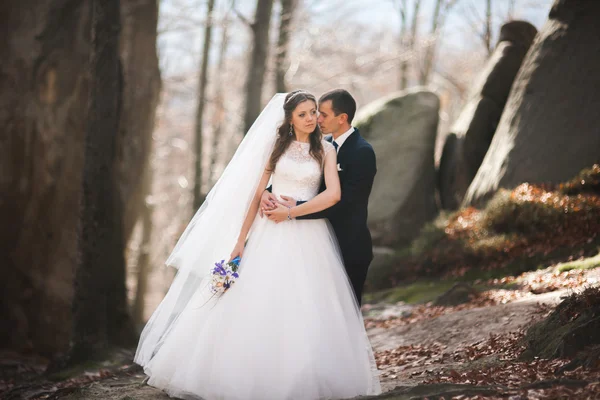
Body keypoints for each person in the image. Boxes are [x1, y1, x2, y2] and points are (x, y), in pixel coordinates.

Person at [134, 90, 381, 400]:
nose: (311, 119)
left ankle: (304, 376)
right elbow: (255, 194)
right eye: (303, 114)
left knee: (307, 303)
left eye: (314, 112)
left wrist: (291, 212)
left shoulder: (327, 151)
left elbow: (333, 195)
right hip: (268, 233)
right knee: (258, 298)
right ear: (289, 118)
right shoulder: (275, 147)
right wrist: (240, 241)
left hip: (310, 234)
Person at [262, 89, 377, 306]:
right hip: (315, 239)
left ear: (342, 118)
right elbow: (297, 175)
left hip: (348, 245)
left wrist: (294, 211)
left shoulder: (362, 152)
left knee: (344, 313)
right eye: (316, 113)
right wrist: (267, 192)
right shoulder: (320, 145)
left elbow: (346, 203)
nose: (317, 119)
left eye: (322, 114)